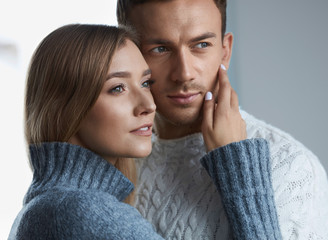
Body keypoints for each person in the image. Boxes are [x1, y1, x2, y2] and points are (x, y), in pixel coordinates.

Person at [8, 23, 282, 239]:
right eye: (117, 88)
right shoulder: (81, 212)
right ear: (66, 106)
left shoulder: (44, 206)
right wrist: (236, 165)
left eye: (146, 83)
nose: (148, 105)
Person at [116, 0, 328, 239]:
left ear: (225, 51)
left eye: (201, 45)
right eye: (160, 49)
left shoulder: (289, 164)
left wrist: (236, 165)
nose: (184, 73)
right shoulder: (114, 156)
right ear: (129, 55)